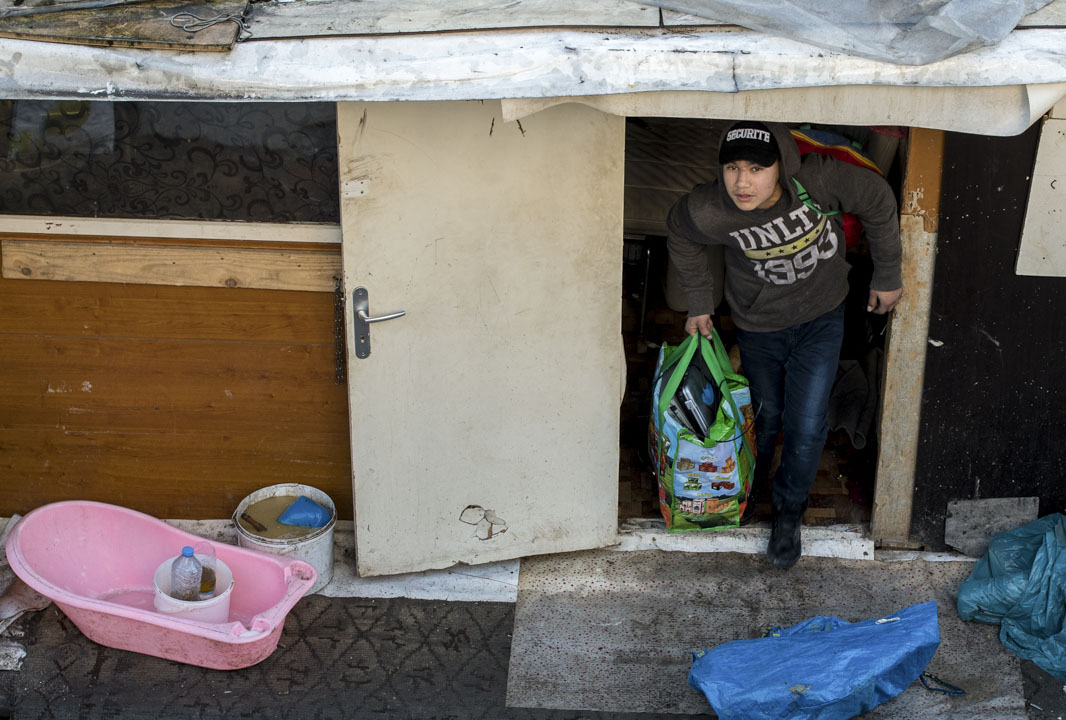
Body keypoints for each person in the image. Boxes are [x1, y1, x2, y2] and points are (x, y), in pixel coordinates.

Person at [667, 120, 902, 569]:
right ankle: (750, 491)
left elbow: (877, 198)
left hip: (822, 317)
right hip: (758, 324)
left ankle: (788, 515)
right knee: (765, 414)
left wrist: (887, 274)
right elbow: (679, 231)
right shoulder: (711, 207)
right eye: (732, 168)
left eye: (757, 168)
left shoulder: (816, 178)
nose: (742, 182)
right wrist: (699, 302)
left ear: (782, 165)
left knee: (807, 422)